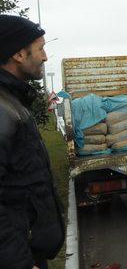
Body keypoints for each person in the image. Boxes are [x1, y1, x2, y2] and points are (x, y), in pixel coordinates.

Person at [0, 15, 65, 269]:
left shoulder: (13, 102)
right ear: (19, 54)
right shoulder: (3, 108)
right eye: (40, 48)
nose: (46, 57)